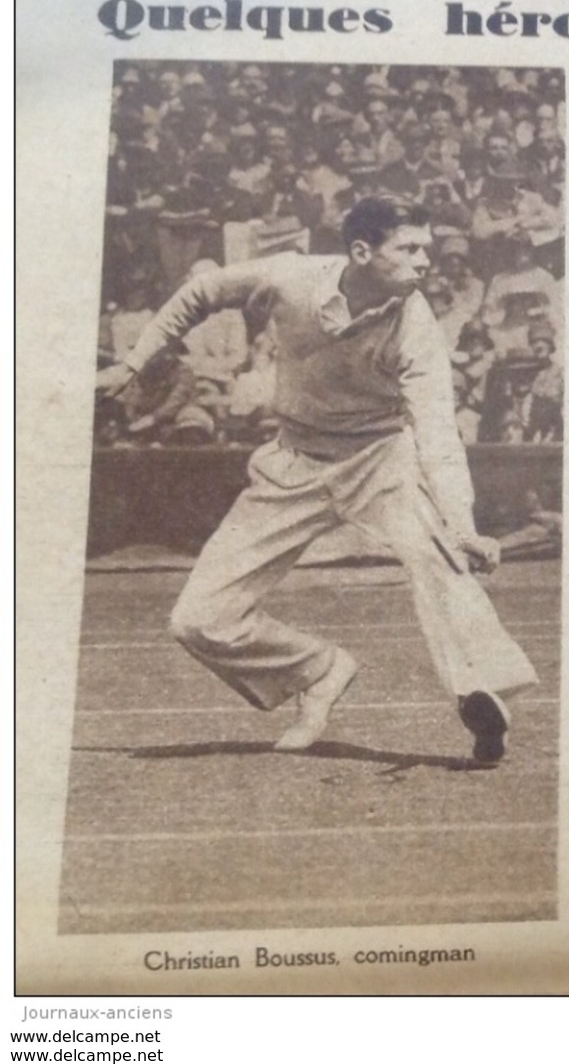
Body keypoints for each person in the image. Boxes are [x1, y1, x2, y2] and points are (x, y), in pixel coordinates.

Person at [95, 196, 537, 764]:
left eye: (426, 247)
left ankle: (482, 693)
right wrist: (133, 364)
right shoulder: (290, 275)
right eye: (409, 248)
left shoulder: (416, 323)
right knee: (197, 620)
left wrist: (464, 524)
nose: (425, 261)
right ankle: (317, 668)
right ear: (361, 251)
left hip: (382, 458)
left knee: (442, 559)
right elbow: (201, 293)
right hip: (294, 460)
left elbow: (437, 433)